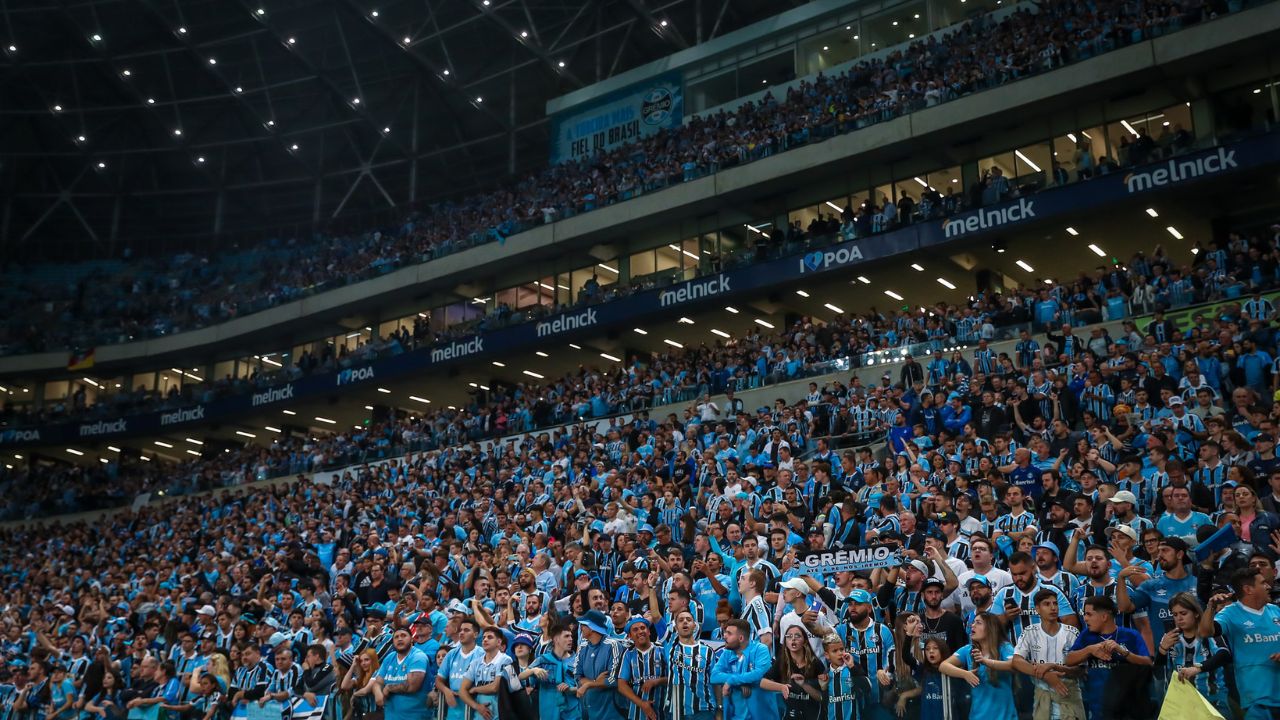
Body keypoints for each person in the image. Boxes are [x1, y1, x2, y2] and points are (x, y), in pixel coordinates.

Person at [1199, 567, 1280, 719]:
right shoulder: (1230, 613)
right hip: (1257, 699)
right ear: (1248, 589)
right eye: (1263, 583)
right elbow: (1205, 632)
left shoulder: (1275, 610)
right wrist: (1210, 607)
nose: (1269, 586)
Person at [1065, 596, 1152, 720]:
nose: (1085, 618)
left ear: (1104, 616)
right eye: (1085, 614)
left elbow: (1148, 663)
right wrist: (1090, 650)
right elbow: (1068, 660)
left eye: (1089, 614)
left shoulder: (1131, 635)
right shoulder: (1086, 636)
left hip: (1128, 709)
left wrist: (1123, 652)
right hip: (1097, 708)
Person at [1011, 589, 1086, 720]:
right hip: (1042, 697)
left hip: (1069, 695)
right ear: (1037, 609)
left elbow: (1081, 670)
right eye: (1047, 604)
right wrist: (1046, 675)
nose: (1053, 608)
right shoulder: (1029, 632)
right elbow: (1016, 661)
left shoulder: (1072, 632)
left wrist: (1056, 668)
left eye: (1055, 604)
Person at [1156, 593, 1230, 717]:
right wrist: (1162, 649)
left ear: (1196, 613)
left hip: (1212, 701)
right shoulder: (1169, 637)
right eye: (1175, 615)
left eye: (1183, 613)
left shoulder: (1209, 632)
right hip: (1182, 704)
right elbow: (1158, 673)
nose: (1179, 618)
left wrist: (1198, 668)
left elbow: (1224, 654)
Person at [939, 612, 1017, 720]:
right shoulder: (968, 650)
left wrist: (987, 662)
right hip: (977, 716)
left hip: (1005, 716)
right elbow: (943, 666)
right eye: (973, 622)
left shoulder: (1004, 647)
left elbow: (1014, 665)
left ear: (990, 628)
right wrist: (965, 674)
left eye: (978, 623)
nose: (972, 625)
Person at [710, 618, 778, 720]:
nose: (724, 636)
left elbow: (758, 674)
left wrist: (731, 681)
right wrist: (739, 682)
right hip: (736, 716)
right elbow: (714, 676)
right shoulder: (727, 653)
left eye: (729, 633)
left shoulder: (760, 649)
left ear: (741, 638)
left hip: (762, 715)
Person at [761, 625, 824, 720]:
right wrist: (781, 687)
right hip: (789, 715)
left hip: (812, 715)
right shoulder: (782, 662)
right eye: (789, 636)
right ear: (785, 642)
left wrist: (804, 685)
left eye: (797, 636)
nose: (793, 639)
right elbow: (762, 682)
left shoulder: (815, 663)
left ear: (805, 641)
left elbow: (822, 698)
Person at [667, 609, 718, 720]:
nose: (685, 622)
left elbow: (715, 681)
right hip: (676, 709)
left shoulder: (708, 651)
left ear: (694, 626)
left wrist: (720, 707)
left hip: (703, 709)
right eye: (680, 620)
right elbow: (656, 616)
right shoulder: (670, 647)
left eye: (688, 619)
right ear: (676, 628)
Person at [575, 609, 624, 720]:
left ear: (591, 627)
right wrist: (596, 682)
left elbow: (614, 679)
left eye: (583, 625)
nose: (581, 628)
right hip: (588, 711)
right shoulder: (582, 647)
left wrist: (588, 684)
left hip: (611, 712)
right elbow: (577, 677)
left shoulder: (613, 645)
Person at [615, 618, 667, 720]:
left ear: (648, 632)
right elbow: (621, 685)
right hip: (637, 711)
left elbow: (675, 677)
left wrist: (656, 681)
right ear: (629, 636)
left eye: (643, 628)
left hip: (663, 709)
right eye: (635, 630)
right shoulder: (628, 654)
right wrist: (643, 704)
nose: (640, 631)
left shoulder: (662, 649)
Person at [459, 628, 516, 720]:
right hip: (479, 716)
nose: (485, 640)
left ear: (498, 642)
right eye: (484, 637)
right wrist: (477, 706)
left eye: (490, 637)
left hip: (498, 716)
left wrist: (475, 689)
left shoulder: (506, 660)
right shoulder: (475, 663)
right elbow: (462, 691)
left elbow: (495, 687)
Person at [525, 624, 579, 720]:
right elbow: (526, 678)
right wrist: (533, 670)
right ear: (556, 639)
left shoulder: (578, 660)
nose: (571, 639)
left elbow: (584, 688)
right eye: (566, 636)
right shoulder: (543, 660)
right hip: (549, 712)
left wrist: (571, 689)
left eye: (571, 636)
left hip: (573, 714)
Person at [376, 628, 429, 720]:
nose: (400, 639)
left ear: (412, 639)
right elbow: (378, 682)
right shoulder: (390, 657)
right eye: (396, 637)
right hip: (391, 716)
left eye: (403, 636)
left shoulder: (418, 656)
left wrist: (388, 688)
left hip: (414, 716)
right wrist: (378, 694)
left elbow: (412, 686)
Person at [435, 618, 483, 720]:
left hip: (474, 710)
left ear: (475, 634)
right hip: (453, 712)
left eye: (466, 630)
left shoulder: (482, 654)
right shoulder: (451, 654)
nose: (461, 633)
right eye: (461, 630)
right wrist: (446, 691)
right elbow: (439, 680)